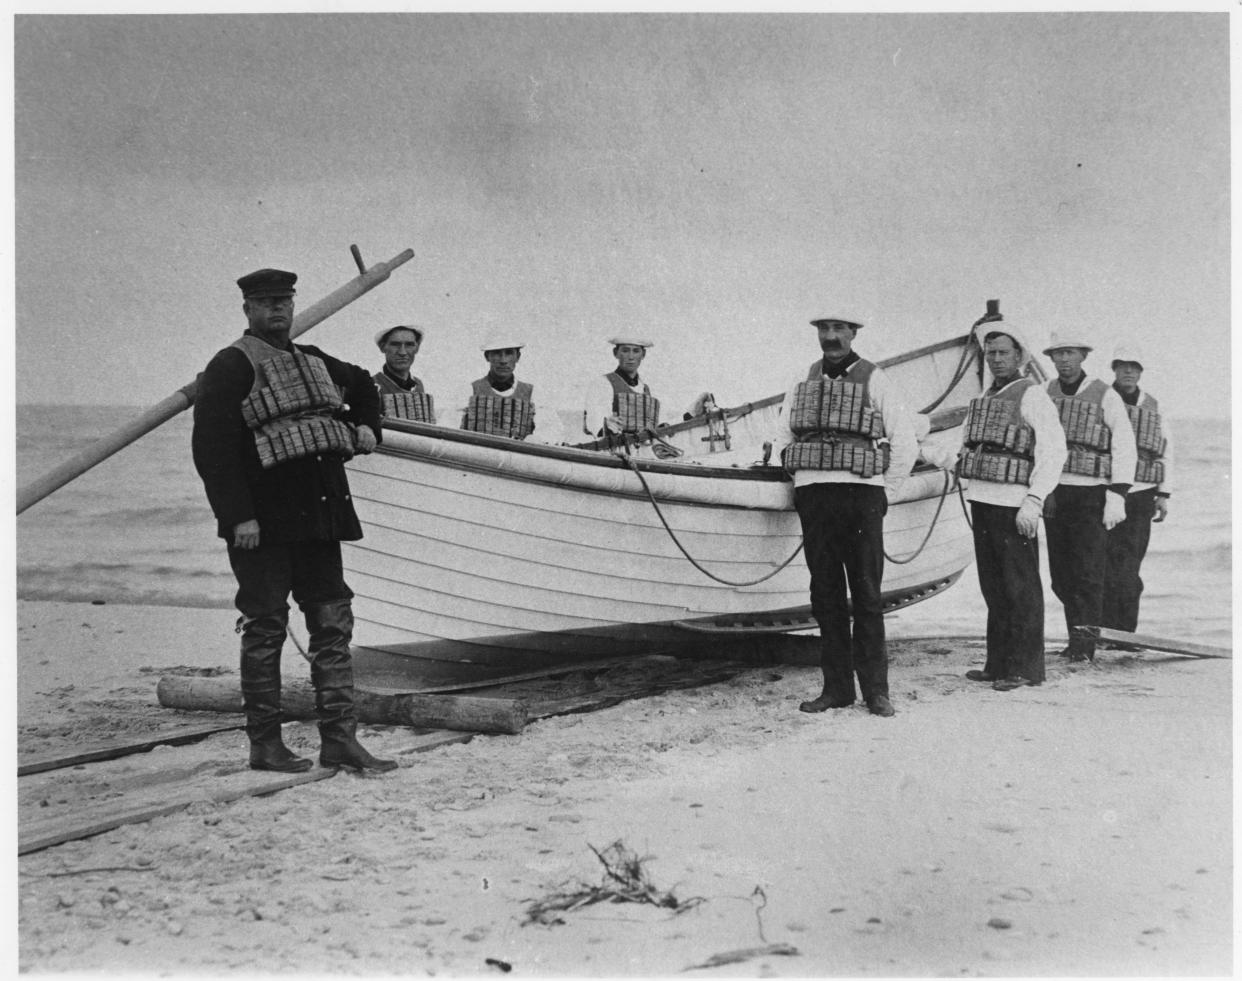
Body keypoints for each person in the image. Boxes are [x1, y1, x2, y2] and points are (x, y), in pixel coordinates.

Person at [191, 267, 397, 774]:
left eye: (284, 301)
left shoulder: (315, 360)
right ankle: (265, 745)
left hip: (321, 515)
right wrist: (238, 517)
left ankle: (340, 740)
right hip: (263, 522)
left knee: (332, 623)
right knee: (265, 627)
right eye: (265, 303)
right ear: (248, 310)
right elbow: (211, 450)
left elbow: (366, 386)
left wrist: (367, 428)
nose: (277, 310)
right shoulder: (230, 365)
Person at [772, 314, 918, 717]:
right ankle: (836, 689)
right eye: (824, 330)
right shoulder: (803, 378)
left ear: (854, 334)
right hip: (814, 494)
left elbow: (904, 439)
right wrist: (794, 471)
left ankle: (877, 691)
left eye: (839, 330)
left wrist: (887, 492)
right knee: (825, 594)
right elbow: (783, 433)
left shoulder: (876, 378)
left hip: (861, 494)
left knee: (868, 594)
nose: (831, 337)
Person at [953, 323, 1066, 690]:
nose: (996, 359)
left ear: (1020, 356)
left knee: (1020, 587)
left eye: (1003, 352)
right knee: (994, 587)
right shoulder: (987, 396)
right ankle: (998, 663)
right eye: (991, 353)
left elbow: (1053, 451)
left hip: (1013, 504)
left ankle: (1026, 668)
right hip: (982, 499)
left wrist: (1033, 500)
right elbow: (962, 447)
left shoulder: (1031, 395)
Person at [1041, 331, 1138, 661]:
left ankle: (1084, 646)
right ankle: (1076, 638)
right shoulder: (1044, 392)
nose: (1064, 359)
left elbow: (1124, 444)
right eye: (1058, 354)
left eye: (1070, 353)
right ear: (1050, 359)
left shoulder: (1104, 394)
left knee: (1088, 572)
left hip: (1091, 493)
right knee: (1060, 575)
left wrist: (1117, 493)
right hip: (1055, 493)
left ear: (1082, 355)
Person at [1101, 342, 1172, 632]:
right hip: (1103, 491)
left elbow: (1167, 450)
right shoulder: (1102, 399)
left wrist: (1163, 493)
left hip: (1141, 493)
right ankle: (1099, 629)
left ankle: (1124, 633)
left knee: (1129, 567)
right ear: (1114, 369)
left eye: (1134, 366)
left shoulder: (1154, 405)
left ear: (1141, 371)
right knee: (1100, 564)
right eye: (1122, 365)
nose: (1128, 371)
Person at [582, 335, 662, 438]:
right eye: (625, 350)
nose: (631, 357)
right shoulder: (603, 383)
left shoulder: (645, 389)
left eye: (636, 351)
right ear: (615, 353)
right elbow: (595, 421)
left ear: (643, 355)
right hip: (613, 448)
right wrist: (607, 425)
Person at [461, 338, 535, 440]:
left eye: (509, 353)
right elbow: (449, 427)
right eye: (496, 353)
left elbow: (549, 433)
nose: (503, 360)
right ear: (487, 356)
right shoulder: (470, 390)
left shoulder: (532, 393)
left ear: (518, 357)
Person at [373, 324, 435, 422]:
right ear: (382, 347)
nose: (402, 352)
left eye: (409, 345)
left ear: (417, 348)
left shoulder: (418, 385)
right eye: (395, 344)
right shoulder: (372, 385)